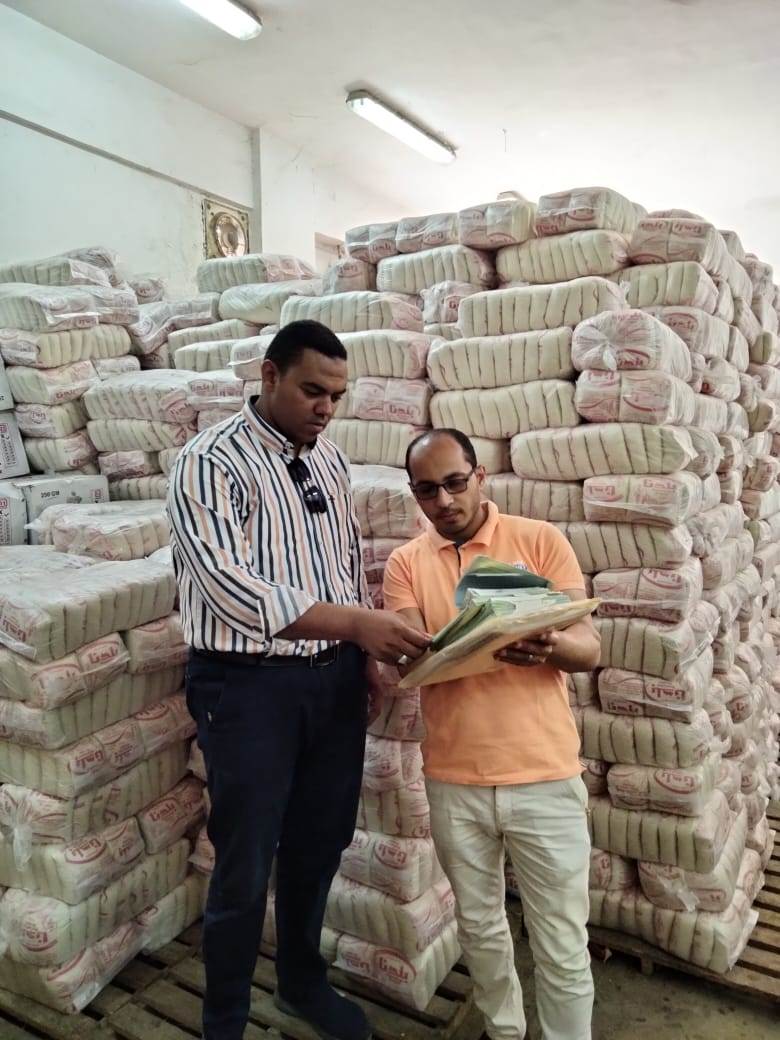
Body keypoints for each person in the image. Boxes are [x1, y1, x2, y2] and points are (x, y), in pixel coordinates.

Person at [168, 319, 430, 1040]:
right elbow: (230, 590)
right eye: (313, 390)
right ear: (269, 375)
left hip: (331, 681)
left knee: (320, 841)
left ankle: (300, 984)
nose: (325, 408)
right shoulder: (209, 462)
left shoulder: (330, 461)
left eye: (337, 396)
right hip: (247, 687)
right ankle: (224, 1018)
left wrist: (363, 654)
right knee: (246, 859)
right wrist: (356, 626)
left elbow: (343, 563)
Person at [382, 428, 601, 1040]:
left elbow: (588, 647)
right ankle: (504, 1033)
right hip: (455, 781)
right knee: (479, 929)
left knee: (561, 940)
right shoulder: (406, 563)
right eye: (428, 490)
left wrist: (550, 644)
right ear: (414, 494)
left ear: (480, 476)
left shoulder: (538, 540)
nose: (445, 501)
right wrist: (407, 651)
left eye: (455, 483)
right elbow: (408, 656)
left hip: (544, 776)